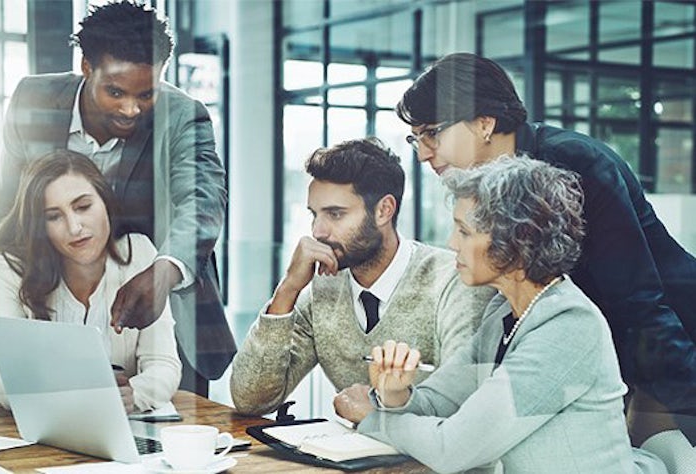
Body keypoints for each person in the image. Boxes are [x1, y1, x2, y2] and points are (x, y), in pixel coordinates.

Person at [396, 52, 696, 454]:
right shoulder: (484, 189)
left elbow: (638, 304)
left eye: (432, 133)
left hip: (672, 341)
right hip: (612, 344)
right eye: (416, 138)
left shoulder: (573, 166)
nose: (423, 153)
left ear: (484, 123)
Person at [337, 157, 666, 473]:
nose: (452, 244)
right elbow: (438, 402)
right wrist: (395, 394)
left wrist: (374, 419)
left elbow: (454, 448)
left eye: (464, 231)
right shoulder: (504, 316)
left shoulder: (568, 328)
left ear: (516, 240)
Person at [0, 1, 234, 396]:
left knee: (171, 448)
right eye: (116, 91)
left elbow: (202, 199)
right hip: (59, 314)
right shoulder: (32, 100)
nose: (131, 108)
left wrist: (164, 271)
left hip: (160, 322)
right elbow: (10, 207)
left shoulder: (183, 116)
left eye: (147, 93)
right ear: (87, 67)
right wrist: (9, 296)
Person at [230, 138, 494, 416]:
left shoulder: (454, 282)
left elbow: (465, 407)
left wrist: (377, 412)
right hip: (345, 456)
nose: (318, 231)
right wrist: (287, 290)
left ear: (384, 210)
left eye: (335, 214)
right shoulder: (324, 288)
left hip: (428, 460)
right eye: (314, 214)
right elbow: (252, 399)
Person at [0, 150, 181, 413]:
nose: (74, 227)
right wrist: (86, 396)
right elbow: (5, 382)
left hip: (117, 427)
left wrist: (133, 395)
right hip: (29, 429)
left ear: (105, 201)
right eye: (53, 216)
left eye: (83, 207)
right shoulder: (7, 267)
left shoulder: (139, 253)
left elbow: (164, 366)